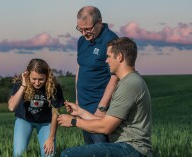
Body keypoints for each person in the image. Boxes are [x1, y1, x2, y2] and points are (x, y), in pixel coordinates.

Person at [57, 37, 153, 157]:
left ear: (119, 57)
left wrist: (73, 121)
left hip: (133, 149)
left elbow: (105, 127)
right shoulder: (129, 81)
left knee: (68, 155)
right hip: (127, 147)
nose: (106, 61)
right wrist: (80, 111)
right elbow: (106, 122)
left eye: (108, 56)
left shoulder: (128, 85)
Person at [75, 5, 120, 144]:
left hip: (99, 109)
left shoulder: (111, 41)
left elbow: (115, 76)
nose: (84, 33)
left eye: (87, 29)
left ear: (99, 22)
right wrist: (77, 100)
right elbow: (80, 68)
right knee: (90, 149)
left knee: (101, 148)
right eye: (80, 29)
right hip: (83, 106)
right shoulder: (82, 41)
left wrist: (102, 107)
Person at [8, 58, 64, 157]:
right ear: (28, 75)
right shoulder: (20, 83)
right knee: (18, 153)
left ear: (47, 76)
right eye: (34, 79)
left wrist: (51, 138)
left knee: (49, 154)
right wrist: (23, 86)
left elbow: (55, 113)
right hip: (24, 120)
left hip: (46, 122)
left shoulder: (54, 86)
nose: (37, 83)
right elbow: (12, 107)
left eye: (41, 79)